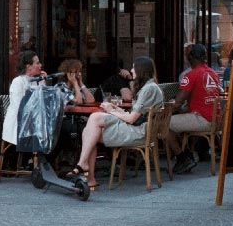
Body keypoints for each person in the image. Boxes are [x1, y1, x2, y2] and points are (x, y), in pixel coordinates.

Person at [66, 56, 164, 190]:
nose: (131, 70)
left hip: (139, 132)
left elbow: (131, 119)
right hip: (141, 129)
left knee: (92, 124)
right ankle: (88, 175)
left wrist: (111, 111)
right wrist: (115, 108)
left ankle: (84, 167)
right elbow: (133, 115)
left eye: (133, 67)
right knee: (90, 131)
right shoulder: (151, 87)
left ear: (141, 70)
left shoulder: (149, 89)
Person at [169, 44, 222, 174]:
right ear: (205, 57)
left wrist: (166, 108)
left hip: (203, 119)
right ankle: (187, 154)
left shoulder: (191, 75)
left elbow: (178, 102)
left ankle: (183, 158)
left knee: (165, 124)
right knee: (177, 120)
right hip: (217, 119)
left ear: (190, 58)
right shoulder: (213, 73)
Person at [1, 50, 43, 147]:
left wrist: (43, 84)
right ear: (29, 67)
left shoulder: (35, 81)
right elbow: (19, 106)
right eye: (37, 63)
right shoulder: (18, 81)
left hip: (33, 120)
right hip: (20, 122)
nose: (40, 65)